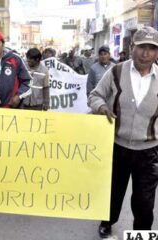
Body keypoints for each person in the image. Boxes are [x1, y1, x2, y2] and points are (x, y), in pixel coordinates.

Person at [88, 26, 158, 238]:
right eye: (141, 47)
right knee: (113, 191)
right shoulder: (117, 71)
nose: (146, 53)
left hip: (149, 151)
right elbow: (95, 95)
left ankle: (141, 235)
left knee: (144, 201)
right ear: (131, 47)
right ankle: (107, 222)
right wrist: (101, 107)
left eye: (152, 48)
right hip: (117, 146)